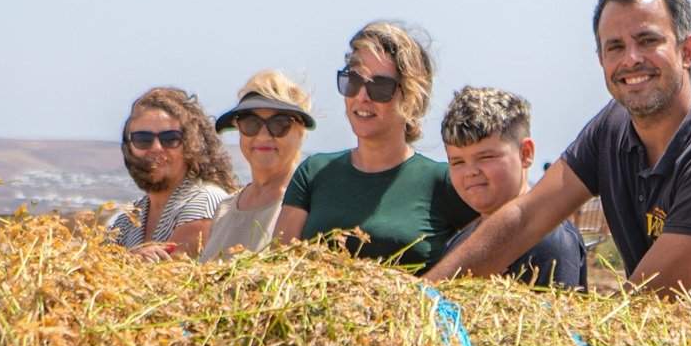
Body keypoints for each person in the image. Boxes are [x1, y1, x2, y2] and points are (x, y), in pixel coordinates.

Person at [424, 0, 691, 293]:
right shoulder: (613, 125)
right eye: (616, 47)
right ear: (601, 60)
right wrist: (422, 298)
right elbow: (526, 216)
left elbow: (646, 298)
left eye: (648, 41)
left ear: (687, 51)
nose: (631, 59)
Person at [273, 21, 472, 269]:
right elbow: (277, 268)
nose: (362, 96)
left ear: (411, 97)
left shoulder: (443, 182)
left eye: (380, 87)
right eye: (352, 81)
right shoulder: (314, 173)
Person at [440, 86, 587, 289]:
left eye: (486, 157)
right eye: (457, 162)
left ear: (525, 153)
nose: (470, 172)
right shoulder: (460, 244)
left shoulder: (549, 241)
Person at [109, 86, 235, 258]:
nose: (156, 148)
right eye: (143, 139)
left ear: (191, 145)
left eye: (170, 139)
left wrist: (125, 259)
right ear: (128, 147)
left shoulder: (205, 201)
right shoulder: (128, 218)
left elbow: (170, 269)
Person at [202, 70, 315, 258]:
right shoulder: (224, 210)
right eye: (251, 123)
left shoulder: (308, 207)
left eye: (279, 124)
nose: (263, 136)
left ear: (300, 130)